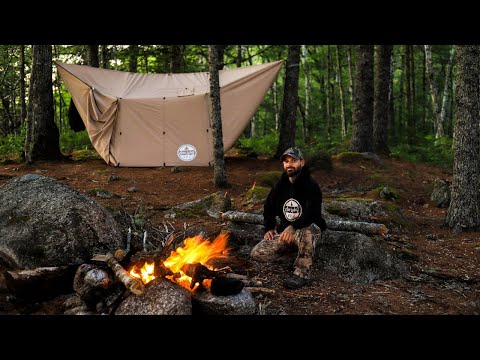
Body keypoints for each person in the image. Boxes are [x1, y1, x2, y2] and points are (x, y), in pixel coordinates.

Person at [250, 146, 327, 289]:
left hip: (307, 229)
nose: (289, 164)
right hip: (286, 233)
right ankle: (296, 255)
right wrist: (269, 227)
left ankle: (301, 273)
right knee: (257, 253)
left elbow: (312, 213)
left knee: (308, 231)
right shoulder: (280, 185)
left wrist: (293, 227)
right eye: (286, 161)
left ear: (302, 163)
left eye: (293, 161)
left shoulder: (311, 186)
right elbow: (269, 207)